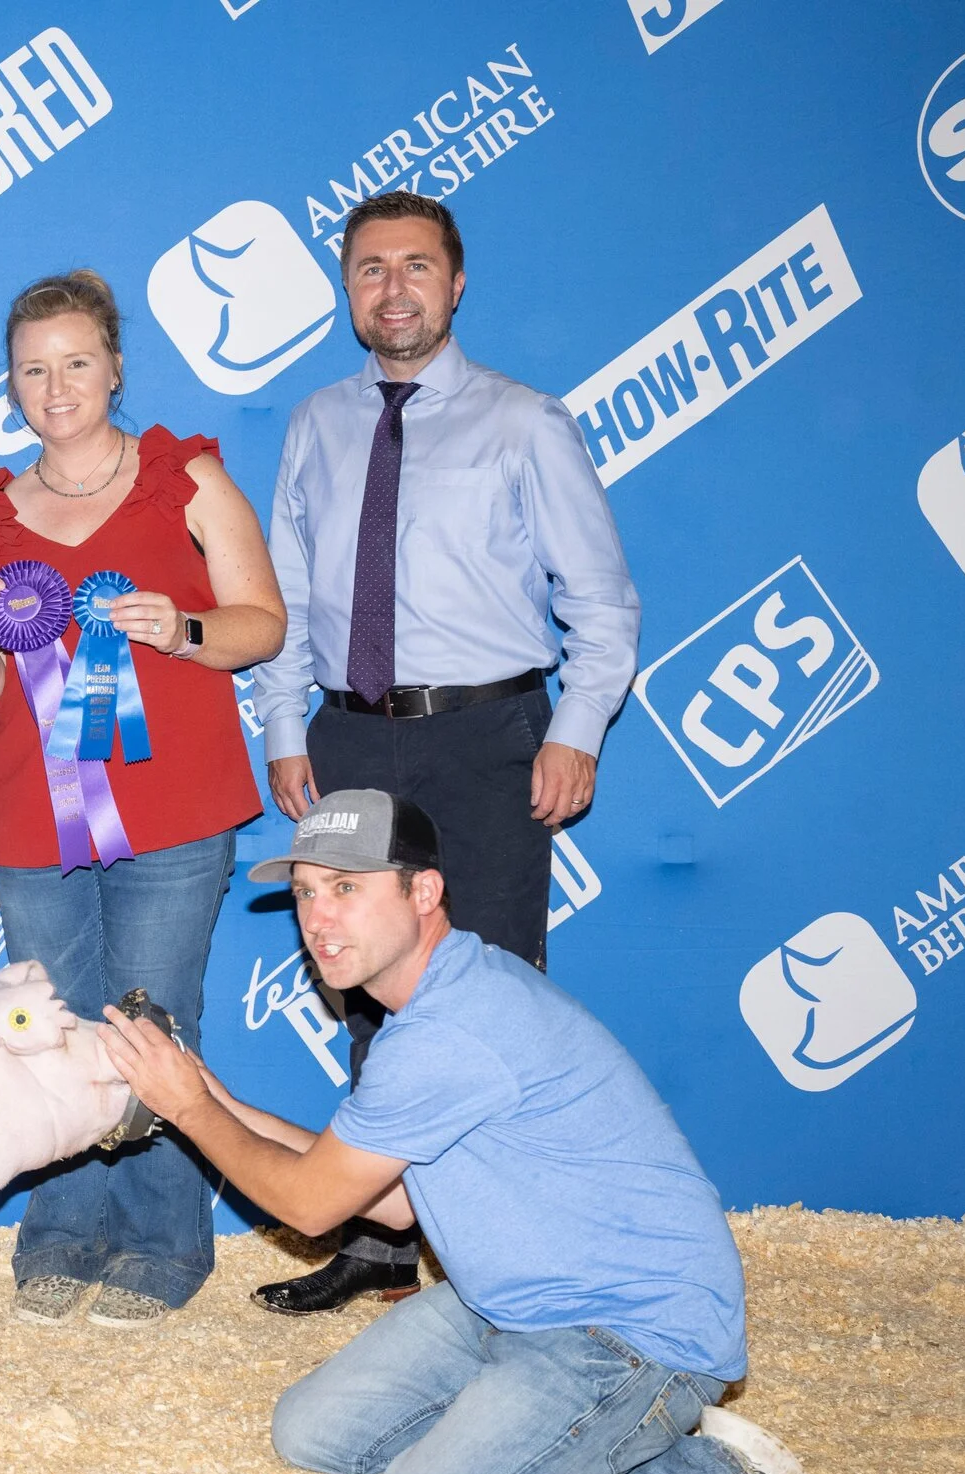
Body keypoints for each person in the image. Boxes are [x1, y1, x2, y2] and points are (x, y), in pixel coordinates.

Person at [100, 789, 836, 1474]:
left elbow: (311, 1205)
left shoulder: (450, 1028)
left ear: (424, 891)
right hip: (507, 1302)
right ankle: (525, 1447)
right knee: (311, 1434)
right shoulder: (437, 1003)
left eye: (346, 887)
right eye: (306, 892)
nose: (318, 917)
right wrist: (212, 1095)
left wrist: (190, 1107)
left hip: (631, 1333)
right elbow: (385, 1202)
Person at [252, 190, 641, 1315]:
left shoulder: (525, 421)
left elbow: (602, 601)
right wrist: (285, 725)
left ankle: (508, 1255)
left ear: (456, 284)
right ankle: (381, 1244)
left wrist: (574, 730)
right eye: (371, 268)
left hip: (487, 735)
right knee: (363, 982)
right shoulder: (316, 423)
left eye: (416, 266)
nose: (394, 289)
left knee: (495, 990)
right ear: (347, 289)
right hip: (348, 728)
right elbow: (287, 598)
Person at [0, 269, 286, 1329]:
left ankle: (161, 1238)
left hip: (172, 800)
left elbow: (262, 621)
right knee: (47, 1022)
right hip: (31, 811)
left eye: (76, 362)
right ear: (11, 383)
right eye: (33, 369)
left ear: (115, 368)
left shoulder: (185, 479)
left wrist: (180, 627)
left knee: (153, 1018)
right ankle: (60, 1229)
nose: (56, 387)